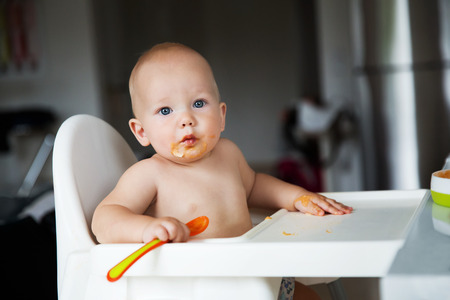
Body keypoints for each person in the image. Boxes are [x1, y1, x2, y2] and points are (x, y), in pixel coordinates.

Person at [92, 42, 353, 300]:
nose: (186, 119)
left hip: (257, 275)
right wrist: (147, 229)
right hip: (203, 289)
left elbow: (255, 187)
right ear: (141, 131)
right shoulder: (149, 174)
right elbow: (104, 220)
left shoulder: (228, 154)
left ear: (222, 115)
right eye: (165, 110)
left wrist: (297, 196)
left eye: (198, 103)